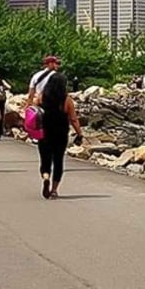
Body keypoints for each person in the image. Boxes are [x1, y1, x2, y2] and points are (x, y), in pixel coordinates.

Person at [28, 55, 85, 199]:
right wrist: (79, 134)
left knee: (45, 158)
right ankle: (54, 190)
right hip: (60, 133)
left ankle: (45, 176)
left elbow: (34, 111)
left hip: (44, 131)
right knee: (58, 160)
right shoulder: (67, 101)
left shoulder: (41, 97)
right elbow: (73, 119)